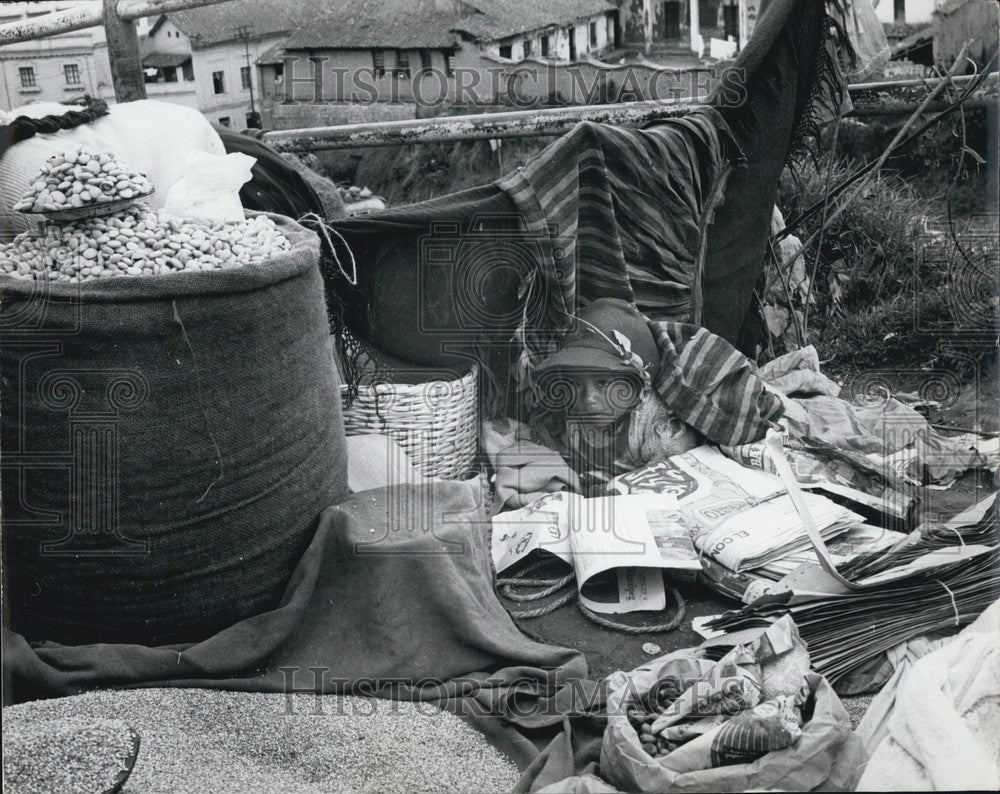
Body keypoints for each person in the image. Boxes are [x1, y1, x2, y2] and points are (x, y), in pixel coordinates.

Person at [529, 298, 702, 492]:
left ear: (639, 387)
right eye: (576, 384)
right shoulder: (571, 418)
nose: (588, 398)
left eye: (603, 383)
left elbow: (673, 470)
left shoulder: (657, 427)